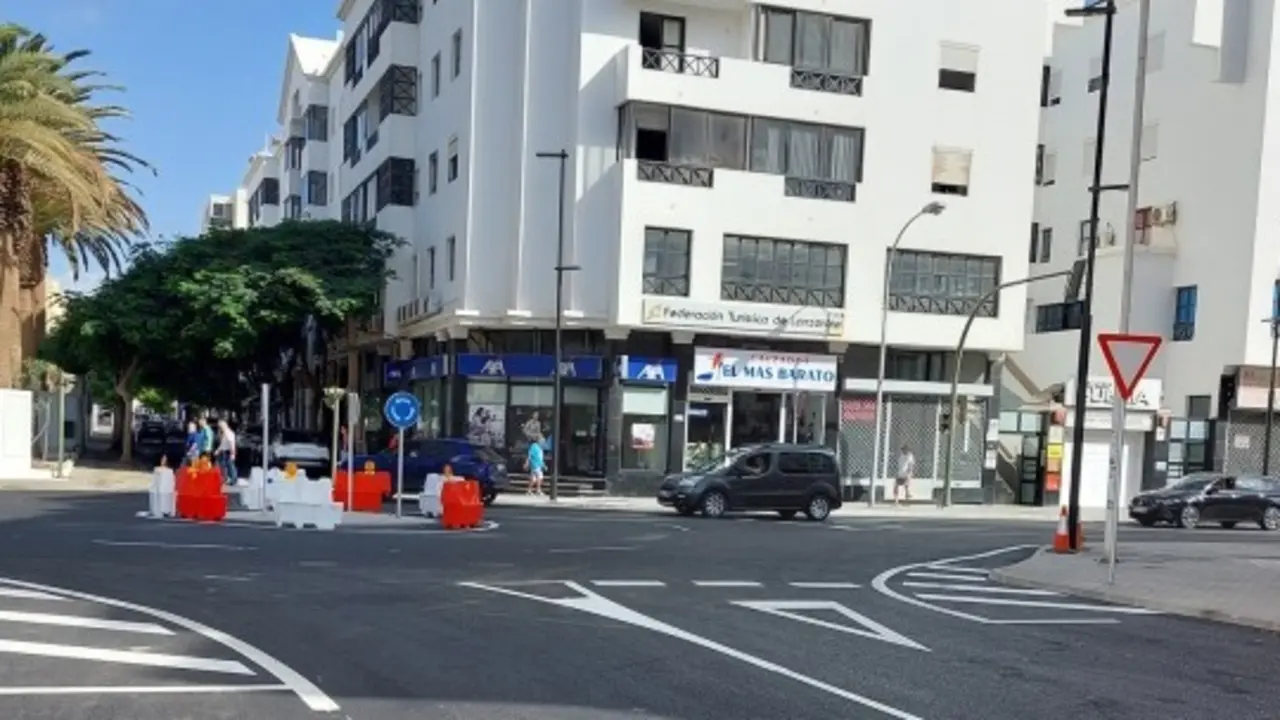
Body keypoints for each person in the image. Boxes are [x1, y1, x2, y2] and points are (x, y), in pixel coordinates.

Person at [215, 419, 238, 486]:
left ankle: (233, 480)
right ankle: (226, 479)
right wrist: (218, 450)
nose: (220, 427)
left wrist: (232, 453)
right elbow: (223, 444)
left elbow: (232, 443)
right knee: (224, 466)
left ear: (225, 425)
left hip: (228, 451)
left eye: (221, 426)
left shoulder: (228, 433)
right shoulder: (224, 433)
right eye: (219, 426)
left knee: (230, 466)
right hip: (225, 451)